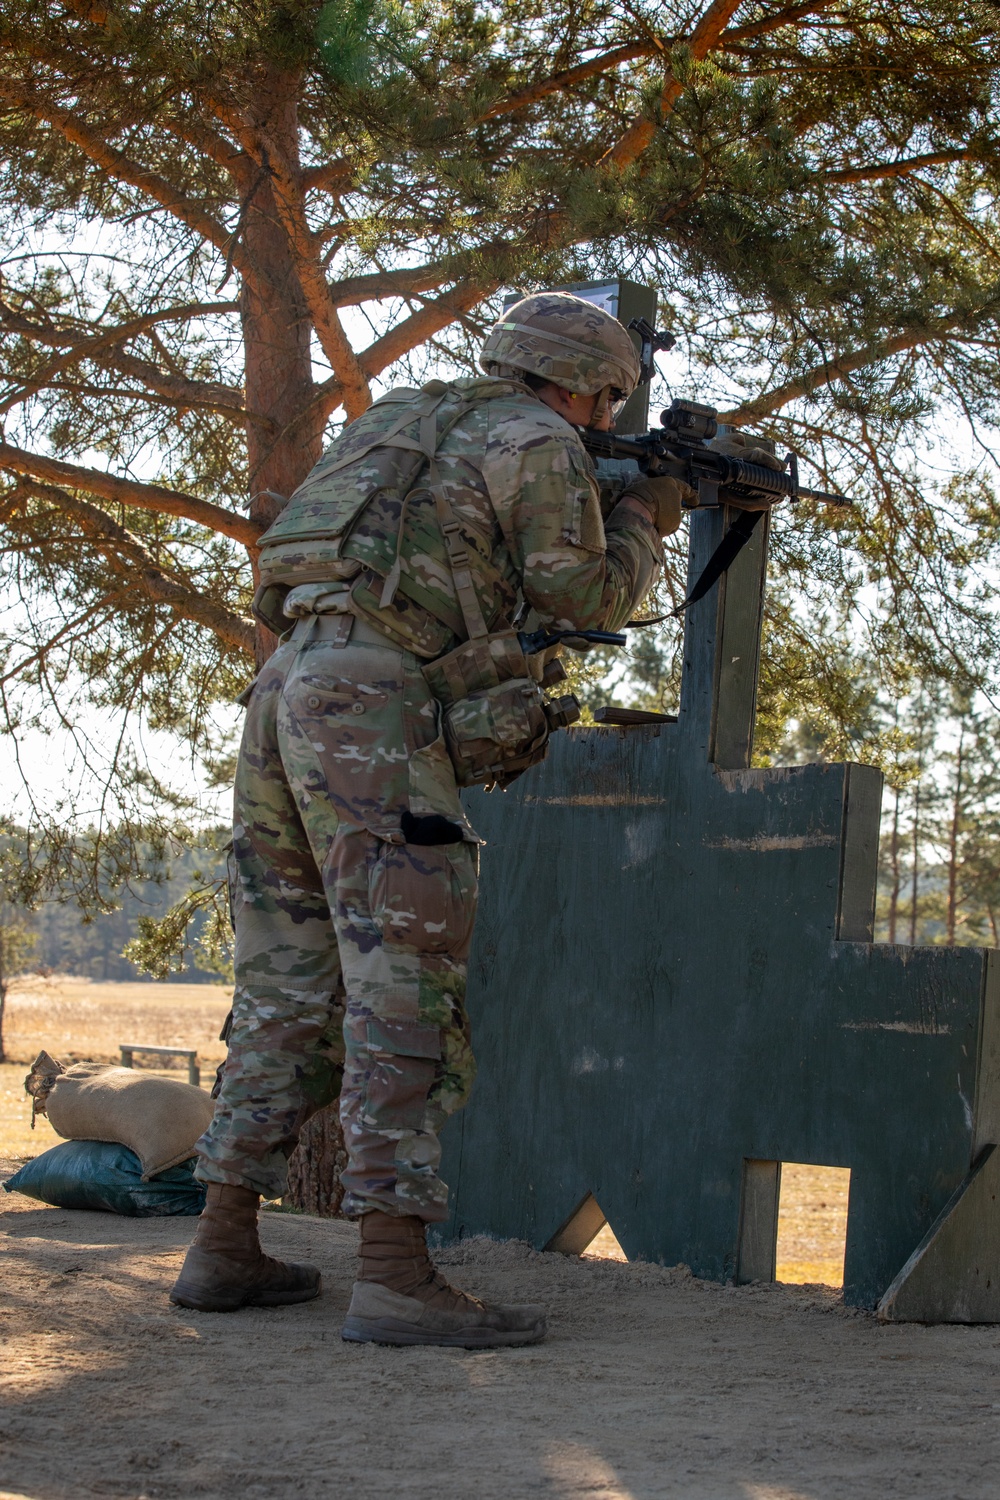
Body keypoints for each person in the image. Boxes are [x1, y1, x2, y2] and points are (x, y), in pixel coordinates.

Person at [170, 291, 694, 1347]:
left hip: (284, 686)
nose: (603, 416)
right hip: (372, 706)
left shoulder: (401, 418)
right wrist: (645, 517)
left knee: (284, 983)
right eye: (605, 398)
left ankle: (222, 1243)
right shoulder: (539, 438)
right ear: (584, 386)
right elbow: (583, 596)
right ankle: (393, 1274)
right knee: (402, 984)